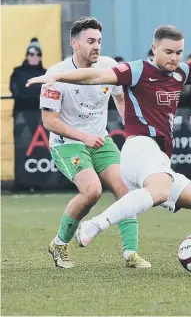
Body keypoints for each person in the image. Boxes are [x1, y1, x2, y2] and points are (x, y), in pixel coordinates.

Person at [27, 6, 191, 273]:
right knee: (142, 191)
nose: (174, 57)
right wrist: (56, 75)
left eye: (178, 52)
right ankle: (94, 224)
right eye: (168, 51)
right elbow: (95, 76)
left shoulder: (180, 73)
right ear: (153, 49)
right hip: (139, 147)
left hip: (153, 155)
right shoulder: (137, 70)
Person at [39, 18, 150, 269]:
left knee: (127, 190)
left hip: (101, 139)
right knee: (92, 191)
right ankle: (59, 243)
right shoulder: (56, 75)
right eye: (90, 41)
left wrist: (132, 129)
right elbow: (49, 121)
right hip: (67, 143)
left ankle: (130, 254)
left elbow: (121, 99)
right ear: (74, 44)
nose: (96, 46)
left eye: (99, 41)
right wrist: (85, 137)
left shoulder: (109, 67)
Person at [10, 37, 46, 113]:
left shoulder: (45, 73)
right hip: (21, 111)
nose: (35, 57)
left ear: (40, 57)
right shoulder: (18, 72)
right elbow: (14, 89)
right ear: (27, 56)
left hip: (39, 113)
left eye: (38, 54)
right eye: (31, 54)